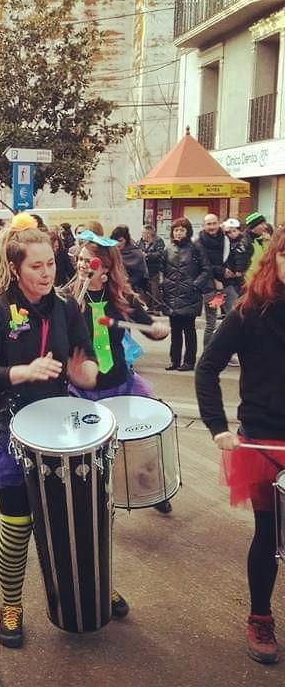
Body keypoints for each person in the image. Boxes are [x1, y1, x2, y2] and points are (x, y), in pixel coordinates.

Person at [0, 213, 102, 648]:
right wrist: (22, 371)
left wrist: (87, 373)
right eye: (36, 266)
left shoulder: (66, 307)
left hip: (60, 430)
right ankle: (11, 604)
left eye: (51, 264)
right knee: (17, 526)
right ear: (15, 268)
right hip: (9, 431)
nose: (47, 274)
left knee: (74, 519)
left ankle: (90, 588)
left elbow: (84, 357)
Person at [195, 224, 285, 664]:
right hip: (264, 442)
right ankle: (260, 616)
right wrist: (217, 426)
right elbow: (207, 367)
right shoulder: (249, 311)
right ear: (273, 259)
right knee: (269, 533)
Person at [64, 237, 172, 511]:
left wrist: (158, 331)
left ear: (106, 267)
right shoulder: (66, 299)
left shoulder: (122, 298)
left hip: (120, 382)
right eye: (80, 259)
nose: (82, 265)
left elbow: (149, 327)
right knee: (89, 451)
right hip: (83, 389)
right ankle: (95, 500)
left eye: (89, 261)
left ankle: (151, 488)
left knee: (141, 441)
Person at [161, 217, 209, 371]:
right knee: (175, 331)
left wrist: (195, 285)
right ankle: (174, 360)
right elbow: (162, 269)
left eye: (182, 230)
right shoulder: (168, 249)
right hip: (172, 295)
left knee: (189, 330)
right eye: (176, 230)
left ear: (188, 232)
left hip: (190, 296)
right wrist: (164, 284)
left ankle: (189, 361)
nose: (179, 233)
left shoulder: (196, 248)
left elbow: (206, 270)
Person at [197, 213, 231, 348]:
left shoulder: (226, 238)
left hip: (227, 283)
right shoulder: (199, 242)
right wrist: (220, 274)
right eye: (208, 224)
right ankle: (208, 352)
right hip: (209, 286)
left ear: (219, 223)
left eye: (214, 223)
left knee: (232, 319)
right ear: (203, 226)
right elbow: (204, 265)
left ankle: (226, 351)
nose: (212, 227)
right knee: (211, 323)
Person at [110, 224, 148, 295]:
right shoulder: (111, 253)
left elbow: (141, 275)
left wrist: (127, 282)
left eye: (120, 241)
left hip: (132, 290)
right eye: (115, 241)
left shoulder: (136, 253)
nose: (117, 244)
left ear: (126, 240)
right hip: (114, 289)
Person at [139, 224, 166, 313]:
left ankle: (157, 308)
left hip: (155, 269)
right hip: (144, 269)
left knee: (155, 289)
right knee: (145, 289)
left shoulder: (158, 241)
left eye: (144, 232)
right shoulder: (140, 242)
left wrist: (147, 256)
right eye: (142, 232)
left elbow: (160, 254)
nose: (142, 234)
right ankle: (148, 308)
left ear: (149, 233)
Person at [244, 212, 272, 284]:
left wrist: (268, 242)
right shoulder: (245, 241)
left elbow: (269, 257)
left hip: (261, 282)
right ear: (254, 226)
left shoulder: (263, 239)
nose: (265, 227)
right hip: (248, 284)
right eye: (262, 224)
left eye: (265, 224)